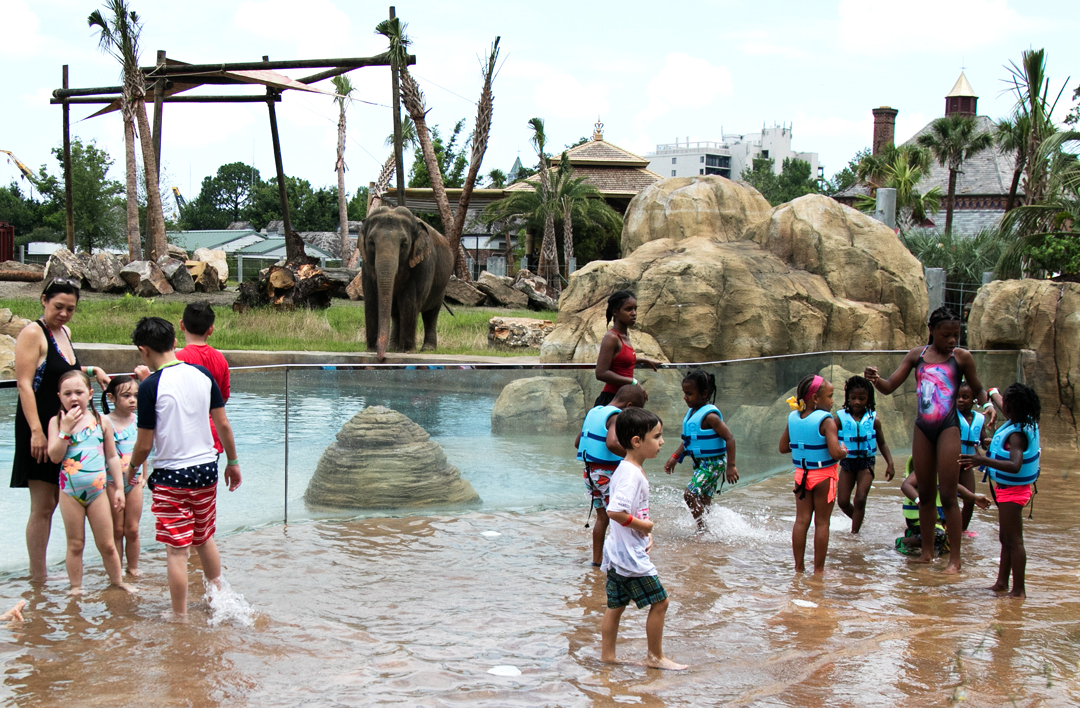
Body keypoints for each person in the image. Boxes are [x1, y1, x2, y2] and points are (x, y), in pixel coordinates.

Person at [126, 317, 242, 621]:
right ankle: (220, 597)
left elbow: (144, 444)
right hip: (207, 469)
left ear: (143, 351)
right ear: (175, 342)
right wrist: (233, 462)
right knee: (204, 538)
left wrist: (132, 469)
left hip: (171, 477)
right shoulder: (203, 375)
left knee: (177, 551)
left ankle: (179, 615)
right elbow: (224, 425)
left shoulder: (150, 386)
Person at [864, 306, 986, 574]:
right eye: (946, 335)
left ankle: (955, 559)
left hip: (948, 428)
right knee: (927, 494)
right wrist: (875, 380)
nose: (952, 340)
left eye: (956, 334)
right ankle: (927, 553)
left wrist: (988, 406)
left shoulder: (962, 357)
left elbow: (979, 390)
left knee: (948, 495)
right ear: (932, 331)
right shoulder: (916, 356)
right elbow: (889, 387)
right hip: (923, 428)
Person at [11, 277, 110, 582]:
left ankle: (59, 570)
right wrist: (37, 432)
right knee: (43, 505)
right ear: (43, 300)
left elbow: (65, 373)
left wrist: (93, 370)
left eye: (70, 308)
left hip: (68, 430)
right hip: (41, 426)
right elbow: (24, 385)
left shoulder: (64, 332)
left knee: (61, 498)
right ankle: (37, 576)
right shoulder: (33, 333)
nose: (64, 314)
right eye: (58, 307)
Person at [600, 407, 686, 671]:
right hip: (628, 556)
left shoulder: (628, 468)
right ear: (637, 441)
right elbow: (614, 511)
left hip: (618, 551)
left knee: (616, 606)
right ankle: (655, 657)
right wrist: (645, 525)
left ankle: (608, 656)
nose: (662, 443)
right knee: (661, 601)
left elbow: (627, 512)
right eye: (657, 437)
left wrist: (644, 534)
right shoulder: (631, 474)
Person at [46, 370, 134, 595]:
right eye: (67, 393)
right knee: (75, 544)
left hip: (98, 492)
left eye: (79, 392)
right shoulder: (56, 422)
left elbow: (112, 457)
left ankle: (118, 581)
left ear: (90, 393)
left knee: (106, 544)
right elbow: (55, 456)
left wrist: (120, 489)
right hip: (70, 493)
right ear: (59, 396)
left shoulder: (101, 421)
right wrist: (65, 431)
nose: (74, 397)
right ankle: (76, 587)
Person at [960, 383, 1041, 598]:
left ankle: (1018, 590)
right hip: (1010, 490)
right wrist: (992, 395)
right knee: (1006, 538)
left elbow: (1015, 465)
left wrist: (981, 459)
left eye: (1008, 405)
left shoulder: (1017, 435)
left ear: (1013, 409)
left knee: (1014, 540)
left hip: (1013, 492)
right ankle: (1002, 583)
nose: (1004, 407)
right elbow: (997, 400)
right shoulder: (1024, 423)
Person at [780, 375, 847, 574]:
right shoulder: (826, 421)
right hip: (823, 477)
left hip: (801, 476)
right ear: (816, 398)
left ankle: (798, 568)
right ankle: (818, 571)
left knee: (801, 521)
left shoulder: (793, 417)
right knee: (822, 523)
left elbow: (783, 447)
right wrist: (844, 451)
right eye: (830, 396)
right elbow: (835, 453)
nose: (833, 400)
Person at [574, 384, 646, 566]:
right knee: (618, 516)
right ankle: (622, 560)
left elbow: (577, 442)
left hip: (590, 473)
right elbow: (612, 443)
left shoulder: (594, 412)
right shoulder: (617, 416)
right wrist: (634, 459)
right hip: (607, 474)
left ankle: (597, 560)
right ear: (629, 405)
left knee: (602, 518)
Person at [663, 369, 738, 529]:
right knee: (704, 499)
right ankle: (713, 529)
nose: (685, 397)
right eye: (684, 393)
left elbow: (729, 438)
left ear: (704, 393)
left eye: (689, 393)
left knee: (689, 494)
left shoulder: (710, 417)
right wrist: (675, 456)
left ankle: (702, 528)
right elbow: (689, 440)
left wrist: (731, 466)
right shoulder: (693, 414)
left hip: (713, 463)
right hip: (700, 464)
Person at [834, 375, 895, 534]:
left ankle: (855, 534)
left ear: (869, 399)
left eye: (862, 398)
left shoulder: (874, 420)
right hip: (848, 463)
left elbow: (881, 443)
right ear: (848, 398)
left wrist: (890, 463)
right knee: (842, 502)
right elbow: (829, 437)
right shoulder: (839, 419)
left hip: (866, 463)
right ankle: (859, 520)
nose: (857, 402)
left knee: (860, 498)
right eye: (853, 398)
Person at [897, 456, 989, 556]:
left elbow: (956, 487)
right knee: (938, 535)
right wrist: (920, 502)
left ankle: (916, 535)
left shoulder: (943, 471)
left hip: (938, 516)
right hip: (919, 516)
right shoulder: (926, 467)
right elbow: (906, 485)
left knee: (947, 545)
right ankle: (904, 541)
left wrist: (975, 499)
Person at [102, 375, 146, 577]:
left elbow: (142, 449)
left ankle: (133, 567)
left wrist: (144, 475)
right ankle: (116, 568)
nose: (132, 400)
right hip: (112, 482)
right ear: (111, 397)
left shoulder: (139, 421)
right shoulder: (104, 422)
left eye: (136, 396)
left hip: (134, 482)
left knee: (132, 529)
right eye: (126, 396)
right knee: (117, 529)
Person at [175, 302, 231, 455]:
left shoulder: (177, 359)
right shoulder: (220, 359)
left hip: (185, 434)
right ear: (210, 330)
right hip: (212, 432)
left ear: (181, 325)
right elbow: (223, 398)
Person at [593, 290, 660, 407]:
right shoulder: (611, 337)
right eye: (628, 309)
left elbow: (620, 359)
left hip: (623, 398)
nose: (634, 313)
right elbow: (601, 373)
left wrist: (643, 360)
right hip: (611, 400)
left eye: (635, 309)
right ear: (615, 312)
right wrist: (633, 382)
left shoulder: (625, 336)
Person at [956, 381, 994, 537]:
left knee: (970, 499)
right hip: (951, 462)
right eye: (957, 397)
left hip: (967, 466)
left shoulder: (979, 419)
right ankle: (944, 526)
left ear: (974, 400)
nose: (960, 400)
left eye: (965, 397)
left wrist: (987, 443)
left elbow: (983, 442)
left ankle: (962, 529)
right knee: (946, 496)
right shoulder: (950, 415)